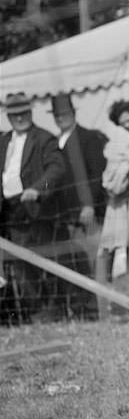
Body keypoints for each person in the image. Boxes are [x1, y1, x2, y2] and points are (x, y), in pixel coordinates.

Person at [0, 92, 66, 322]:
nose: (20, 118)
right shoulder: (4, 140)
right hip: (7, 211)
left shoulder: (44, 139)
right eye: (15, 115)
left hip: (32, 209)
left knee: (37, 262)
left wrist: (38, 189)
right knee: (16, 264)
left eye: (24, 113)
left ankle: (47, 312)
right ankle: (35, 311)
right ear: (8, 116)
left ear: (31, 112)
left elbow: (56, 171)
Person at [96, 100, 129, 285]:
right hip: (128, 199)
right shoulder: (123, 144)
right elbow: (113, 178)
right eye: (122, 123)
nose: (127, 125)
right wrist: (127, 170)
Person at [49, 93, 108, 246]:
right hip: (64, 215)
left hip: (86, 213)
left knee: (91, 259)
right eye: (57, 115)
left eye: (64, 114)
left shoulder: (88, 138)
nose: (61, 118)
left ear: (73, 113)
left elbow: (97, 174)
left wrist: (89, 205)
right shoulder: (54, 142)